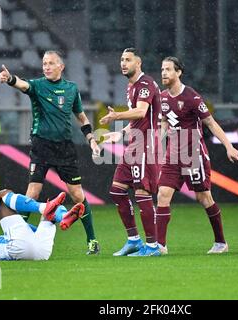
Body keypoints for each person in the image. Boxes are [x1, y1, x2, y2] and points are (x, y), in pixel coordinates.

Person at [0, 50, 101, 255]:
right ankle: (18, 238)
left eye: (51, 63)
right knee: (32, 192)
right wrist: (9, 79)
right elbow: (22, 84)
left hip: (64, 148)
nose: (46, 67)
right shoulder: (38, 86)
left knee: (77, 194)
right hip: (41, 145)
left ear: (61, 66)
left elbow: (81, 116)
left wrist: (91, 139)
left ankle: (92, 241)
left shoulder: (71, 89)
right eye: (44, 63)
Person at [156, 56, 238, 255]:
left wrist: (229, 146)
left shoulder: (191, 97)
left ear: (178, 72)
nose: (164, 73)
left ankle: (221, 242)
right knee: (162, 194)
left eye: (168, 69)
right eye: (162, 69)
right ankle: (159, 246)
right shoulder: (163, 97)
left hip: (194, 154)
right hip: (173, 155)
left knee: (204, 197)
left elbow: (211, 123)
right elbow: (164, 123)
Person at [99, 48, 161, 256]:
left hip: (146, 144)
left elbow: (142, 111)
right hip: (134, 143)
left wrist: (116, 117)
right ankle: (134, 240)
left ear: (139, 63)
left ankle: (152, 246)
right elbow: (138, 118)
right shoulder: (131, 86)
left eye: (128, 60)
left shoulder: (146, 84)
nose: (123, 63)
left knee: (142, 193)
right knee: (117, 190)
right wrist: (121, 133)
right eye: (122, 60)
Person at [0, 190, 85, 261]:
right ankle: (44, 207)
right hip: (19, 249)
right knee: (3, 196)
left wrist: (0, 220)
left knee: (52, 212)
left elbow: (34, 233)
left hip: (41, 253)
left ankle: (64, 216)